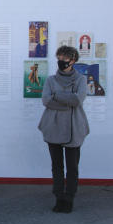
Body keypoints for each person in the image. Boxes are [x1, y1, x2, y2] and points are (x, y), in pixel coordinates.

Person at [38, 46, 89, 213]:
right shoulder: (50, 80)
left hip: (74, 127)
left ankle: (69, 198)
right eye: (58, 58)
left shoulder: (81, 79)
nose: (60, 62)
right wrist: (67, 100)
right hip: (53, 126)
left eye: (64, 59)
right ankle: (59, 196)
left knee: (72, 166)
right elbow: (46, 100)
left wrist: (57, 96)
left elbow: (77, 100)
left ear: (73, 60)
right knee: (57, 165)